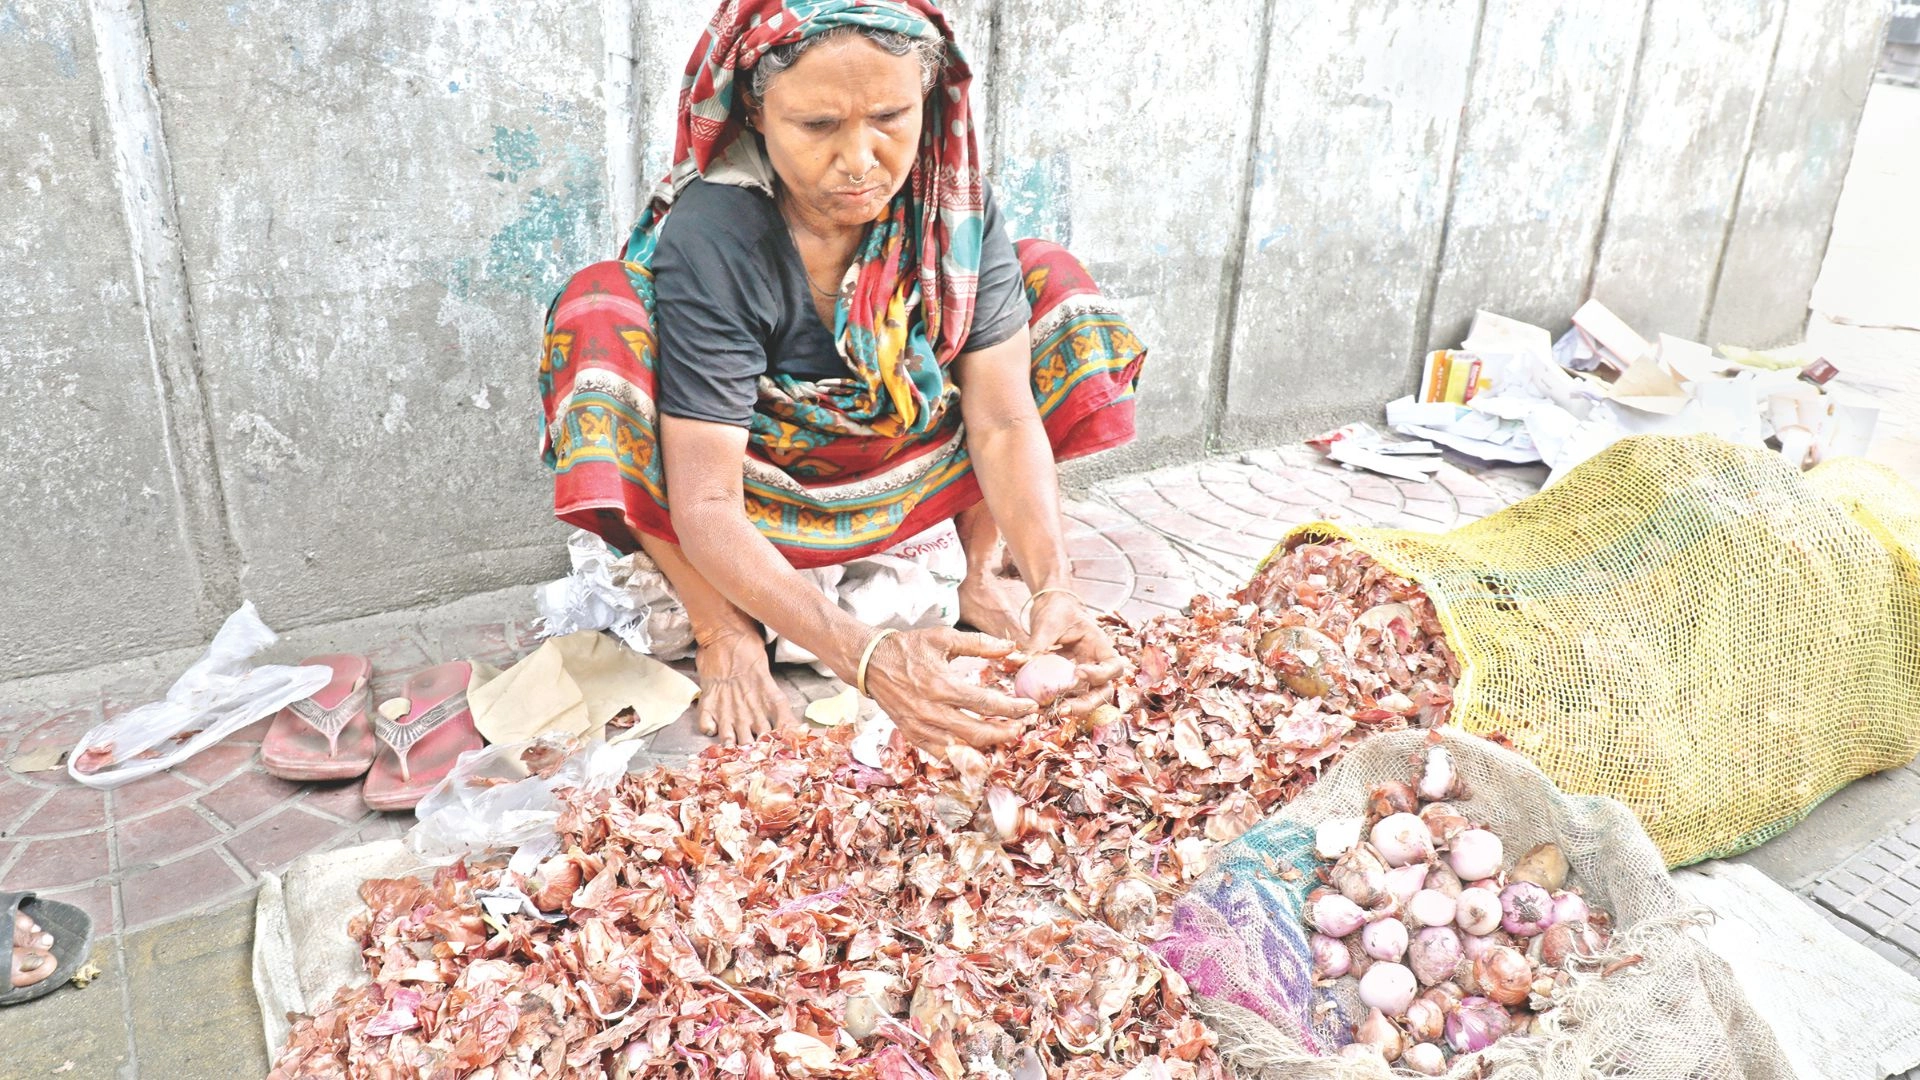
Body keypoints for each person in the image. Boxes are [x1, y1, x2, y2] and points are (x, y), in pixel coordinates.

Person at [539, 0, 1146, 753]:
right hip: (758, 495)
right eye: (818, 127)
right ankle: (724, 622)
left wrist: (1055, 584)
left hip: (898, 470)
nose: (860, 159)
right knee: (599, 315)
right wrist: (863, 657)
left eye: (890, 117)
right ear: (756, 114)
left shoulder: (949, 209)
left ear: (926, 99)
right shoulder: (719, 230)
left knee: (1049, 284)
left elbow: (1002, 420)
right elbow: (706, 500)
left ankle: (981, 573)